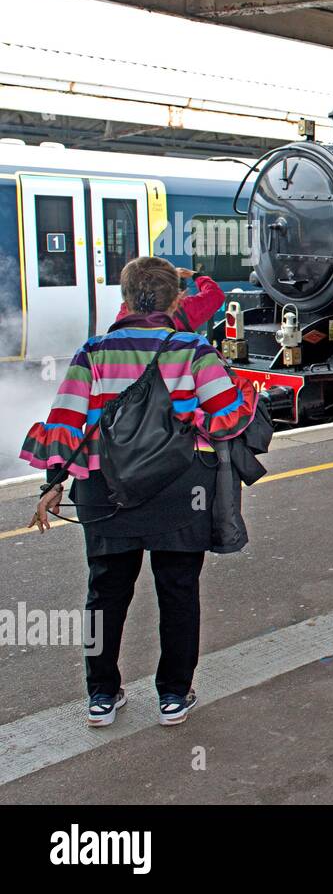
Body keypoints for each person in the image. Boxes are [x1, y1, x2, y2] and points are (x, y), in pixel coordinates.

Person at [23, 256, 258, 728]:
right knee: (177, 591)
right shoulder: (193, 350)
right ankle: (173, 695)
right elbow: (227, 418)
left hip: (104, 493)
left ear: (125, 300)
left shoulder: (93, 352)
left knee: (104, 593)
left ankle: (101, 696)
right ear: (176, 300)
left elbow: (67, 421)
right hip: (179, 490)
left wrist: (53, 483)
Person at [117, 266, 224, 331]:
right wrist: (195, 275)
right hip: (174, 366)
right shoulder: (184, 308)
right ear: (181, 292)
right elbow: (215, 295)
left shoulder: (128, 311)